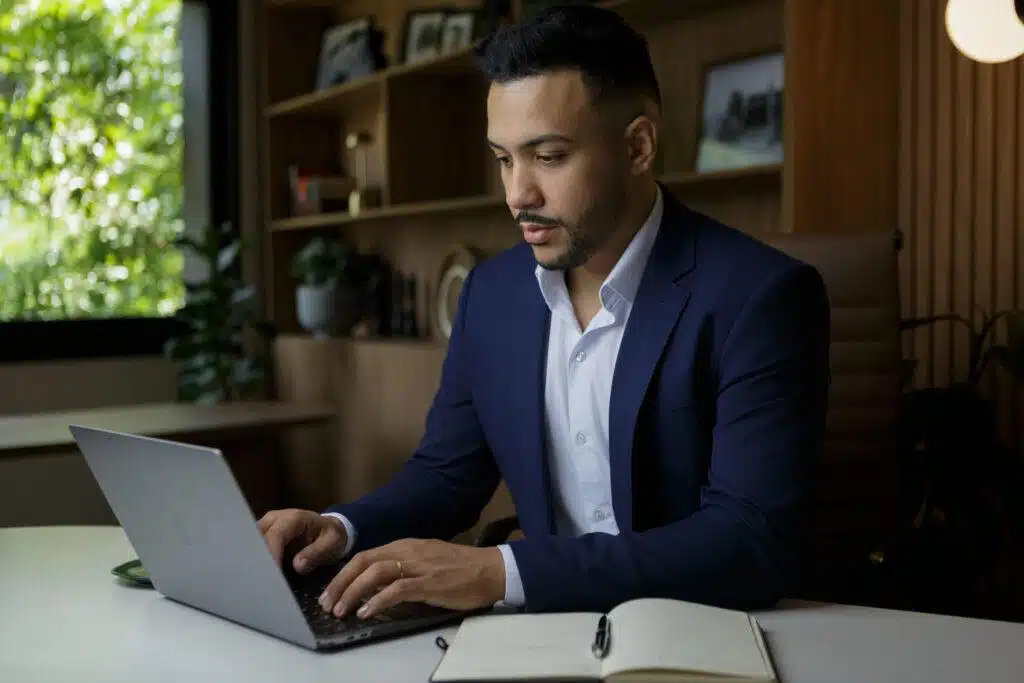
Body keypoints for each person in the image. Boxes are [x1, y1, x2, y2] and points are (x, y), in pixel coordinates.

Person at [259, 4, 831, 621]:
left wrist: (497, 571)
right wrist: (339, 529)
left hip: (698, 630)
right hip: (542, 628)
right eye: (505, 159)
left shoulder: (761, 296)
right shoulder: (491, 295)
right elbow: (446, 476)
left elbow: (749, 542)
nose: (517, 194)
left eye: (549, 157)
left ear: (638, 146)